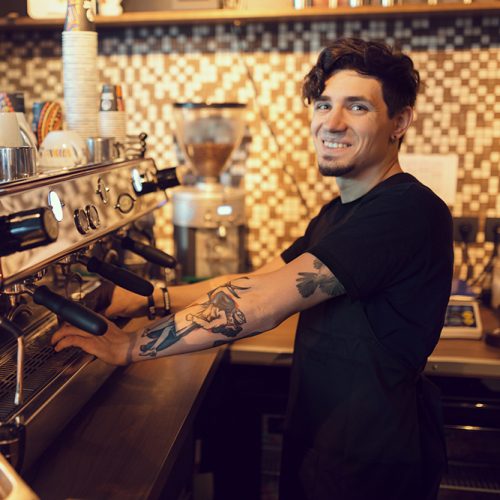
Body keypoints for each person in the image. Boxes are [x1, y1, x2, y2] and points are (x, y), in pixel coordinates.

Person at [53, 38, 453, 500]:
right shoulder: (338, 213)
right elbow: (257, 280)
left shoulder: (406, 211)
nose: (332, 122)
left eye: (357, 107)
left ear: (399, 122)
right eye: (324, 104)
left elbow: (261, 303)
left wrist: (129, 346)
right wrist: (151, 298)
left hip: (372, 465)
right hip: (325, 446)